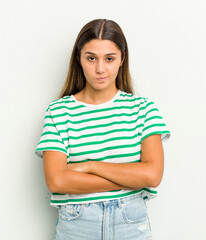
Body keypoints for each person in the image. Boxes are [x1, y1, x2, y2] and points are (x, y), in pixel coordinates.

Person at [35, 19, 170, 240]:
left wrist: (89, 166)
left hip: (130, 225)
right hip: (77, 226)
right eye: (91, 58)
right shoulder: (59, 112)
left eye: (109, 59)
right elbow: (56, 181)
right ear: (79, 59)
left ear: (122, 59)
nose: (100, 69)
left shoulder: (142, 109)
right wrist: (129, 177)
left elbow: (152, 175)